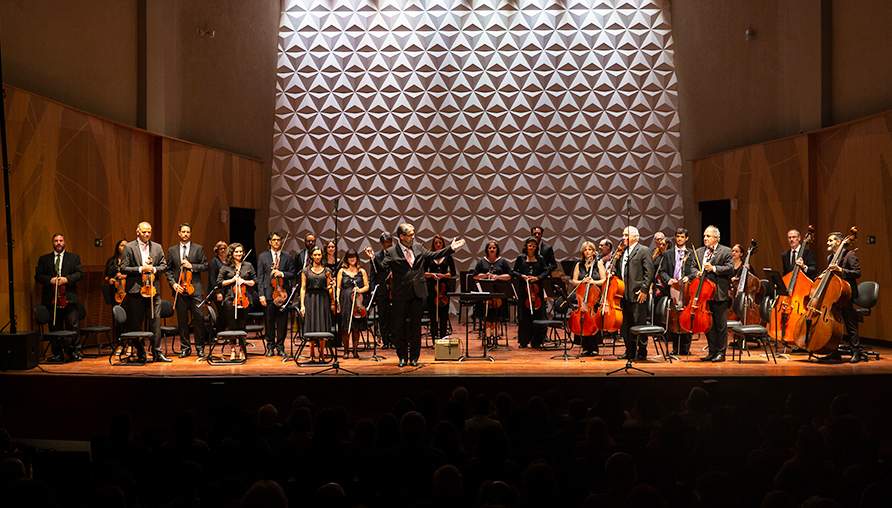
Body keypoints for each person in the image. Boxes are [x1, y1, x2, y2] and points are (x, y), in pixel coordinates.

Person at [366, 223, 465, 367]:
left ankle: (414, 357)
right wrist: (373, 258)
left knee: (415, 327)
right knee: (399, 327)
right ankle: (402, 357)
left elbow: (433, 255)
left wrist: (451, 248)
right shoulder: (392, 252)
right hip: (400, 294)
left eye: (413, 234)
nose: (413, 236)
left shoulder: (418, 247)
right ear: (402, 236)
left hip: (417, 293)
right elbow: (382, 268)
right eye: (410, 234)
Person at [683, 225, 734, 362]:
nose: (705, 238)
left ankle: (721, 353)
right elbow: (692, 267)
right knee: (707, 326)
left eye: (708, 236)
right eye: (704, 236)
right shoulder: (699, 252)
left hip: (718, 293)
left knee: (720, 325)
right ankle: (712, 352)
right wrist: (697, 273)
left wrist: (714, 268)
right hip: (703, 295)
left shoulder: (726, 251)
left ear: (716, 238)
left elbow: (730, 268)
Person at [121, 221, 170, 362]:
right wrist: (140, 269)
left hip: (153, 291)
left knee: (155, 322)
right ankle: (141, 351)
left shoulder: (157, 247)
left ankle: (157, 352)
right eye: (144, 232)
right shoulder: (129, 247)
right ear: (138, 232)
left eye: (149, 231)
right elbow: (123, 268)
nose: (147, 234)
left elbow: (163, 265)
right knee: (136, 323)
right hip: (136, 291)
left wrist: (153, 269)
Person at [34, 233, 84, 362]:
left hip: (69, 298)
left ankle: (75, 351)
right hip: (52, 298)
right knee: (54, 326)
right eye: (56, 241)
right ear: (53, 243)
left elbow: (79, 273)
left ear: (64, 242)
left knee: (73, 325)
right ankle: (57, 353)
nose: (58, 243)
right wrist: (50, 280)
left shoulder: (73, 258)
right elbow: (38, 276)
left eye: (61, 240)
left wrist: (66, 279)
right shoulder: (44, 259)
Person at [165, 223, 209, 358]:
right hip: (180, 290)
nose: (185, 234)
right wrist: (173, 284)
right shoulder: (172, 250)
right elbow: (168, 270)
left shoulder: (198, 248)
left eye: (188, 232)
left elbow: (205, 266)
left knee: (199, 319)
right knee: (182, 321)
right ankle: (185, 348)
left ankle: (200, 348)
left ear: (190, 234)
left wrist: (192, 266)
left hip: (195, 289)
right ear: (179, 233)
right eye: (183, 232)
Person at [825, 232, 865, 363]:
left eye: (830, 240)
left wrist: (841, 270)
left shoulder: (849, 255)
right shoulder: (830, 257)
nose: (828, 243)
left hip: (847, 294)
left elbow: (857, 273)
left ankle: (856, 352)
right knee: (834, 324)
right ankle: (834, 352)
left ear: (838, 242)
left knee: (850, 324)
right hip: (834, 293)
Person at [256, 231, 295, 357]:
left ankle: (280, 346)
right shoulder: (263, 257)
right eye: (274, 240)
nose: (277, 242)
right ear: (269, 242)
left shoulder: (287, 257)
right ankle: (270, 346)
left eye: (279, 240)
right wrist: (261, 294)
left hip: (282, 294)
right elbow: (260, 277)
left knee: (282, 322)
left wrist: (282, 273)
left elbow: (293, 273)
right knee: (269, 321)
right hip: (268, 294)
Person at [617, 227, 653, 361]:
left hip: (638, 293)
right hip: (623, 295)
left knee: (639, 323)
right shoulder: (623, 252)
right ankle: (629, 351)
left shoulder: (643, 250)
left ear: (635, 237)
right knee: (626, 325)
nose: (623, 237)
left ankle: (642, 351)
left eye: (626, 235)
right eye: (623, 234)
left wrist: (644, 290)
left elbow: (649, 272)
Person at [216, 243, 256, 360]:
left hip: (244, 299)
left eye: (240, 251)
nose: (239, 254)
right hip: (230, 300)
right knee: (232, 326)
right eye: (236, 252)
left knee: (242, 325)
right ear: (232, 254)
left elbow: (254, 281)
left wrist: (244, 281)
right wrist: (233, 280)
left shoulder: (248, 265)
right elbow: (219, 282)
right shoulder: (226, 266)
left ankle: (243, 349)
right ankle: (233, 349)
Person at [570, 241, 607, 356]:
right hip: (582, 298)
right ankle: (585, 347)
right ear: (583, 252)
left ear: (593, 251)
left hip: (594, 298)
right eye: (585, 250)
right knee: (583, 320)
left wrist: (593, 281)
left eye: (590, 249)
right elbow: (573, 281)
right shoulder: (578, 265)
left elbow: (604, 280)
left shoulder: (598, 264)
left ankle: (594, 347)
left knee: (593, 320)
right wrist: (582, 281)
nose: (587, 252)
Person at [472, 240, 513, 343]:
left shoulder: (502, 261)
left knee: (496, 317)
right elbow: (475, 276)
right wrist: (485, 275)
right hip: (485, 295)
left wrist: (497, 277)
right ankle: (487, 337)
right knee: (486, 317)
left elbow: (509, 276)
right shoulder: (482, 262)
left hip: (498, 294)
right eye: (490, 248)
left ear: (497, 249)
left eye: (494, 248)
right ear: (487, 250)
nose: (492, 249)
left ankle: (495, 337)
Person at [659, 227, 692, 355]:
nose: (679, 239)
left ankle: (685, 349)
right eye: (678, 236)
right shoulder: (668, 254)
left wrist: (688, 277)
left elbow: (695, 271)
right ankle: (674, 348)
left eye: (682, 237)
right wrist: (669, 280)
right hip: (672, 289)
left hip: (686, 290)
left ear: (686, 238)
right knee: (673, 318)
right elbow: (662, 271)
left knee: (686, 316)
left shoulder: (691, 254)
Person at [513, 237, 548, 348]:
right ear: (526, 246)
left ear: (536, 247)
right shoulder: (521, 258)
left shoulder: (540, 258)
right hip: (524, 290)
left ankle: (537, 341)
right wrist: (522, 276)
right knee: (524, 316)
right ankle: (524, 341)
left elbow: (546, 271)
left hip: (537, 291)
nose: (532, 247)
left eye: (534, 245)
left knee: (538, 314)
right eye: (530, 245)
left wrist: (537, 278)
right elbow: (513, 271)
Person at [299, 247, 333, 363]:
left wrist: (332, 286)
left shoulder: (327, 270)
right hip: (310, 299)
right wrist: (302, 305)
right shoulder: (305, 270)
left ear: (321, 256)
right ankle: (312, 353)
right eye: (315, 255)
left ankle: (322, 353)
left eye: (319, 254)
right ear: (312, 256)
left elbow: (329, 288)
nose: (317, 257)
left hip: (323, 299)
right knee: (312, 325)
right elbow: (303, 288)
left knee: (322, 325)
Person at [336, 249, 369, 358]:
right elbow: (339, 287)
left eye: (354, 257)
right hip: (345, 300)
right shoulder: (341, 271)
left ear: (357, 258)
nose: (352, 259)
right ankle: (346, 351)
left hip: (357, 301)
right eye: (350, 257)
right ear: (346, 259)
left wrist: (359, 290)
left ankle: (355, 350)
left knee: (356, 327)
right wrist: (337, 299)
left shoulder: (362, 271)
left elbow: (367, 287)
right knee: (346, 327)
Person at [424, 235, 457, 341]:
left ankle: (442, 338)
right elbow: (423, 273)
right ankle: (434, 339)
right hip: (431, 288)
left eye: (440, 243)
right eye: (436, 243)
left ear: (443, 244)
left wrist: (444, 275)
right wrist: (432, 274)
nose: (438, 245)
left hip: (443, 289)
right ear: (433, 244)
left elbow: (453, 273)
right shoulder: (429, 256)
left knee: (443, 315)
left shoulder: (448, 256)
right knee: (433, 315)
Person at [369, 233, 394, 348]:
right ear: (382, 244)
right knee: (383, 317)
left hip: (395, 290)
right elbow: (373, 276)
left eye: (389, 242)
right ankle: (385, 341)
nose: (387, 245)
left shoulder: (396, 254)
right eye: (385, 243)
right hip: (382, 290)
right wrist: (373, 291)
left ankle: (394, 340)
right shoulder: (376, 257)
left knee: (394, 316)